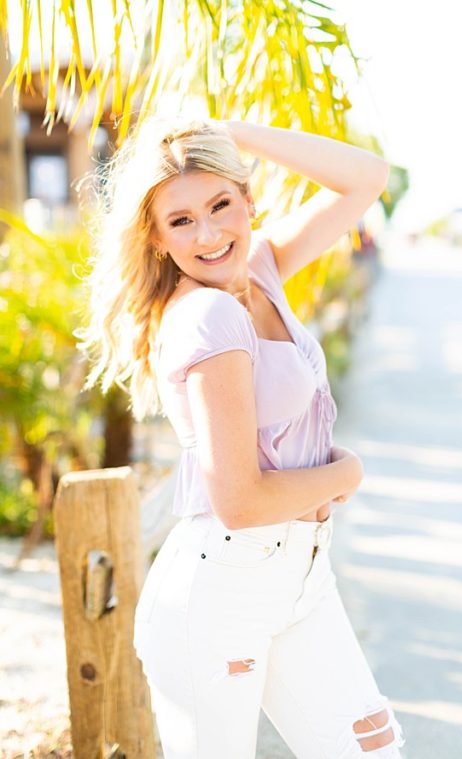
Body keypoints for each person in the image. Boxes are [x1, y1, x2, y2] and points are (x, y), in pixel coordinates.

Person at [77, 117, 403, 758]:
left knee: (371, 748)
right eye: (181, 221)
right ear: (157, 236)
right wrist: (348, 472)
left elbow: (367, 179)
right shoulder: (207, 315)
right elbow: (241, 501)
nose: (208, 233)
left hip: (300, 578)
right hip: (221, 588)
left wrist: (229, 134)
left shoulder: (259, 273)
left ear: (248, 199)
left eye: (221, 204)